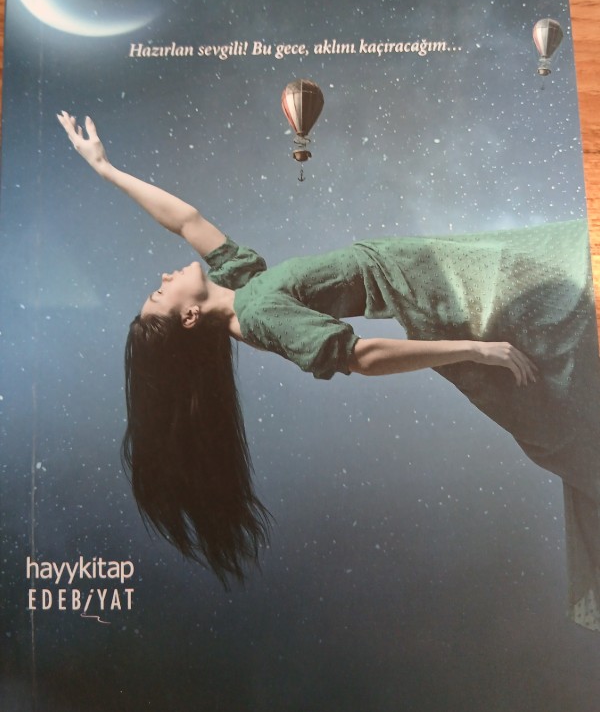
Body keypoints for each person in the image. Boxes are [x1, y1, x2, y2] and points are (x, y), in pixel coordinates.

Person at [58, 112, 600, 630]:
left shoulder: (241, 286)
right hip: (434, 283)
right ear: (190, 317)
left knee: (568, 269)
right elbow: (361, 357)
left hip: (429, 266)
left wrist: (106, 169)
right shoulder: (260, 314)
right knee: (568, 274)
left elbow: (185, 220)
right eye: (160, 294)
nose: (162, 277)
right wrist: (471, 351)